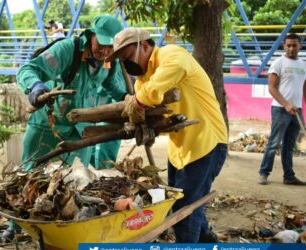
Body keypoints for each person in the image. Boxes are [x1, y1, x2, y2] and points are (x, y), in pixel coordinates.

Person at [106, 28, 228, 243]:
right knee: (185, 202)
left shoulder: (172, 54)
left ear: (144, 45)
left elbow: (148, 94)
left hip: (205, 143)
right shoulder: (144, 78)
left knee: (185, 211)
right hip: (180, 149)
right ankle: (209, 241)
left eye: (126, 57)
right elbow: (143, 97)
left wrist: (136, 101)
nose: (125, 65)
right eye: (122, 61)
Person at [17, 15, 126, 172]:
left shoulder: (111, 60)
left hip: (80, 127)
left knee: (78, 177)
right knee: (30, 171)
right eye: (101, 43)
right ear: (90, 35)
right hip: (48, 122)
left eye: (111, 47)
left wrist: (126, 98)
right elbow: (30, 69)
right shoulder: (67, 50)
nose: (105, 51)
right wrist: (35, 85)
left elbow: (110, 84)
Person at [258, 33, 306, 186]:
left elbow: (304, 88)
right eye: (288, 45)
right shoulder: (278, 63)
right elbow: (272, 88)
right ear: (284, 46)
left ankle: (289, 176)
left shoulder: (303, 65)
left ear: (300, 46)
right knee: (274, 143)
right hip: (280, 109)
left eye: (294, 45)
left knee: (289, 146)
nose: (291, 48)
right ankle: (264, 173)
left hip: (297, 110)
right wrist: (286, 104)